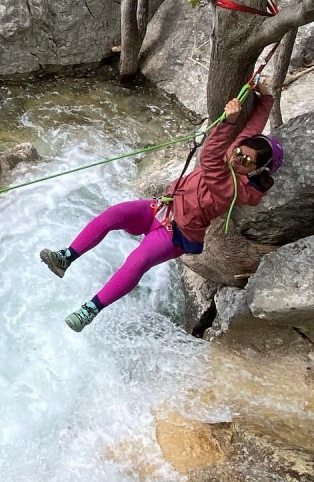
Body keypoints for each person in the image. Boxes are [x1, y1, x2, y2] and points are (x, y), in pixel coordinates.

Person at [40, 80, 283, 332]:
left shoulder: (233, 190)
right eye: (239, 152)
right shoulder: (237, 157)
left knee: (139, 260)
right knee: (114, 214)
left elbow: (209, 158)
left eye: (246, 160)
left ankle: (90, 310)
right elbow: (251, 129)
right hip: (161, 208)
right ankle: (65, 258)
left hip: (176, 234)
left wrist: (228, 123)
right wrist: (266, 98)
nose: (237, 158)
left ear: (257, 171)